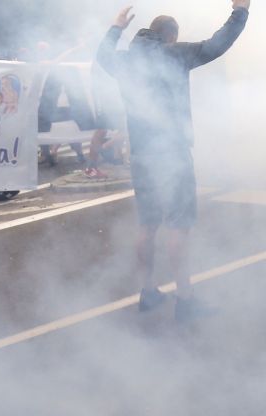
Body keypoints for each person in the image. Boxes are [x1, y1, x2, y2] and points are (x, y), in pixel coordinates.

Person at [97, 1, 249, 321]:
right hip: (172, 155)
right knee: (178, 226)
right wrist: (240, 10)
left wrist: (116, 27)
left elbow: (101, 56)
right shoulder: (175, 53)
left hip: (140, 156)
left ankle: (147, 291)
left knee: (147, 225)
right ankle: (185, 299)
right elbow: (218, 44)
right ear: (171, 36)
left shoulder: (125, 61)